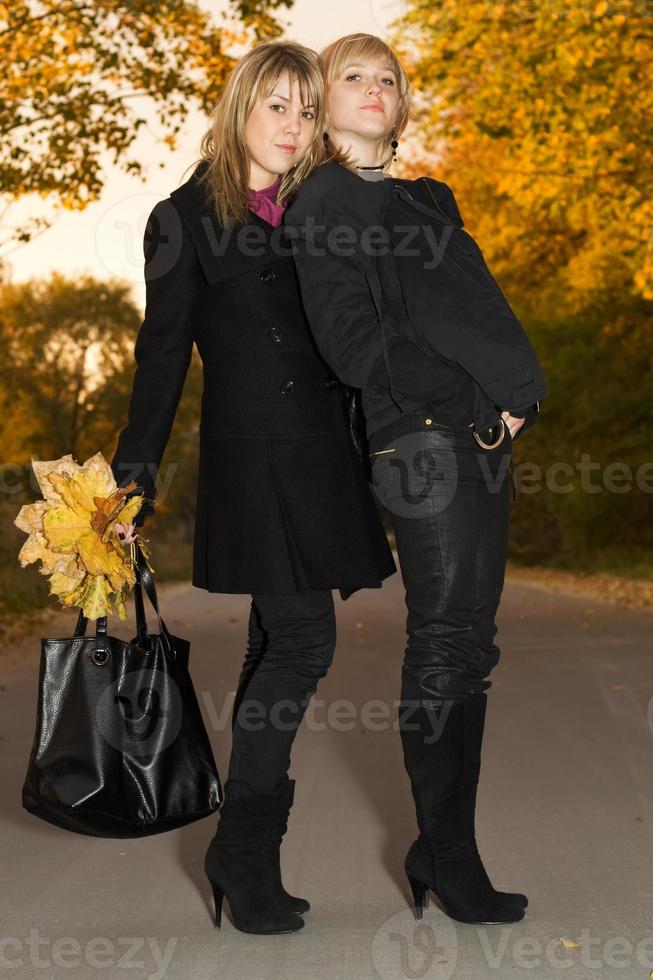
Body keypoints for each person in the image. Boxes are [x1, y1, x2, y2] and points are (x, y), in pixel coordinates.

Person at [110, 39, 396, 936]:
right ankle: (240, 850)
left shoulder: (320, 207)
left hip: (326, 458)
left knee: (279, 638)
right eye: (276, 104)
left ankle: (249, 857)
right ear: (240, 109)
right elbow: (159, 362)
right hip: (257, 461)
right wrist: (133, 481)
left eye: (307, 110)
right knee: (305, 641)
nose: (294, 124)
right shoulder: (182, 218)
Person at [283, 33, 549, 925]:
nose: (372, 89)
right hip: (424, 440)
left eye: (386, 79)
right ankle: (448, 855)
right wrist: (475, 399)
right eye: (351, 76)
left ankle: (440, 847)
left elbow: (472, 309)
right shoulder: (320, 200)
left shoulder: (425, 199)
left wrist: (508, 399)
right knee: (445, 642)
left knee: (466, 645)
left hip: (471, 434)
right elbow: (354, 345)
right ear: (324, 102)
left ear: (401, 105)